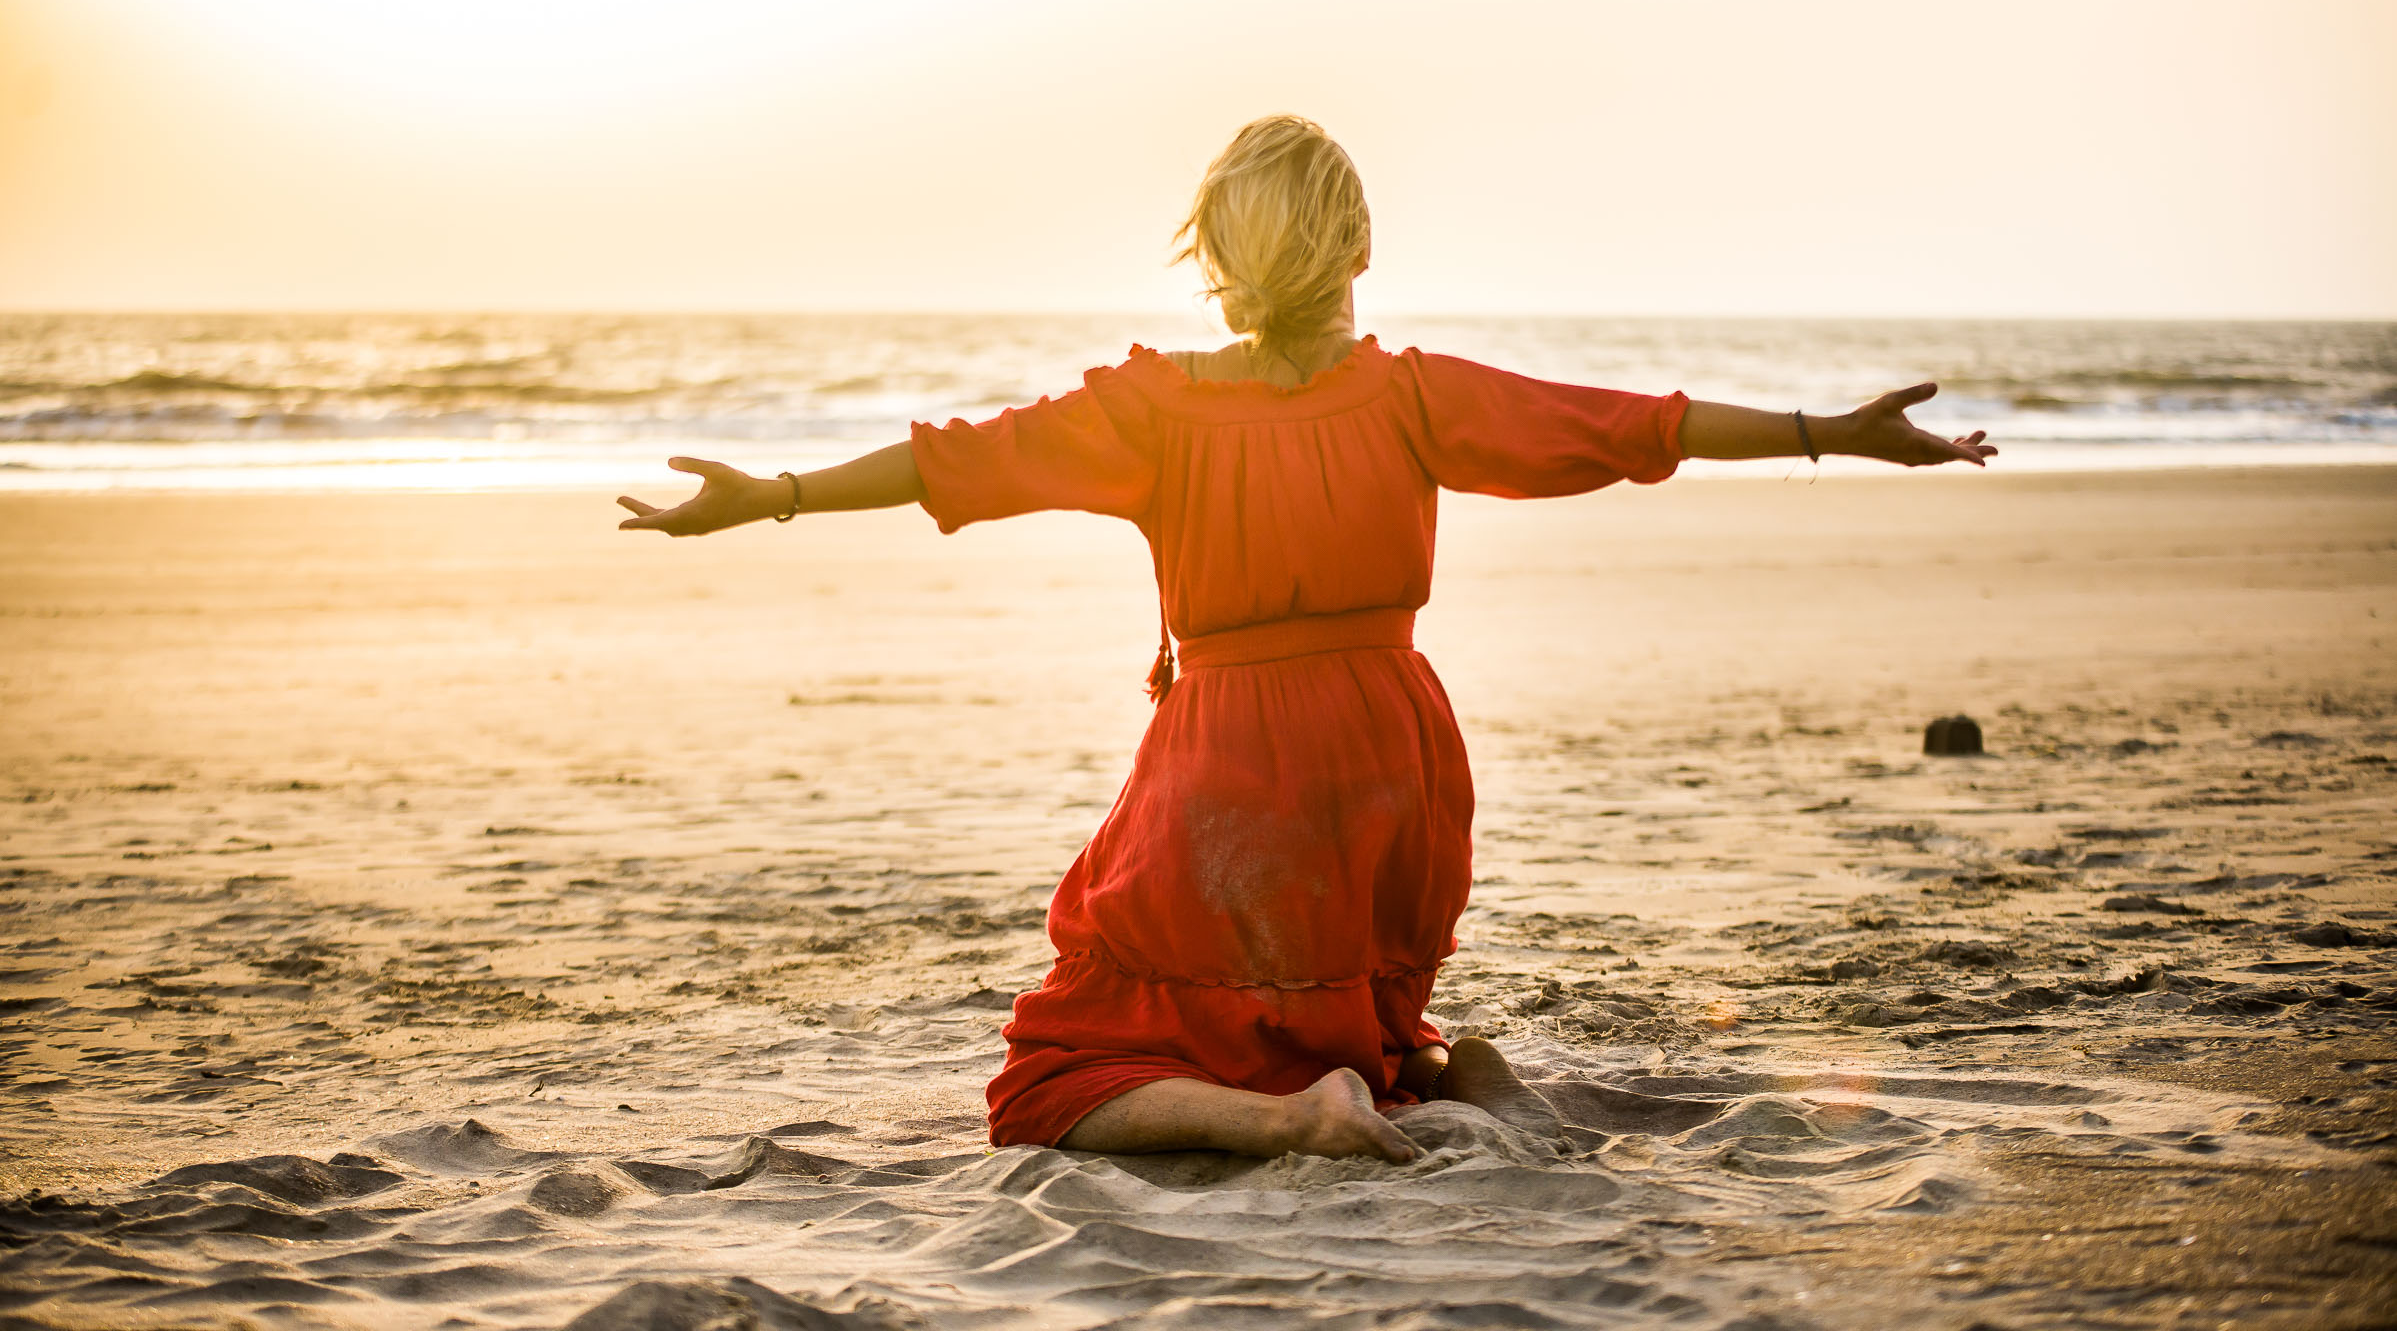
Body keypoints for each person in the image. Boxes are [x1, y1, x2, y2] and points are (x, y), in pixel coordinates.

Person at [616, 115, 1996, 1163]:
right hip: (1394, 749)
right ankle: (1426, 1070)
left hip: (1231, 761)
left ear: (1215, 260)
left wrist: (772, 498)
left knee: (1047, 1087)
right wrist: (1833, 435)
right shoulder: (1408, 396)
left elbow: (953, 464)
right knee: (1341, 1005)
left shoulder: (1149, 410)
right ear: (1357, 250)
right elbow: (1632, 424)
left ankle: (1301, 1122)